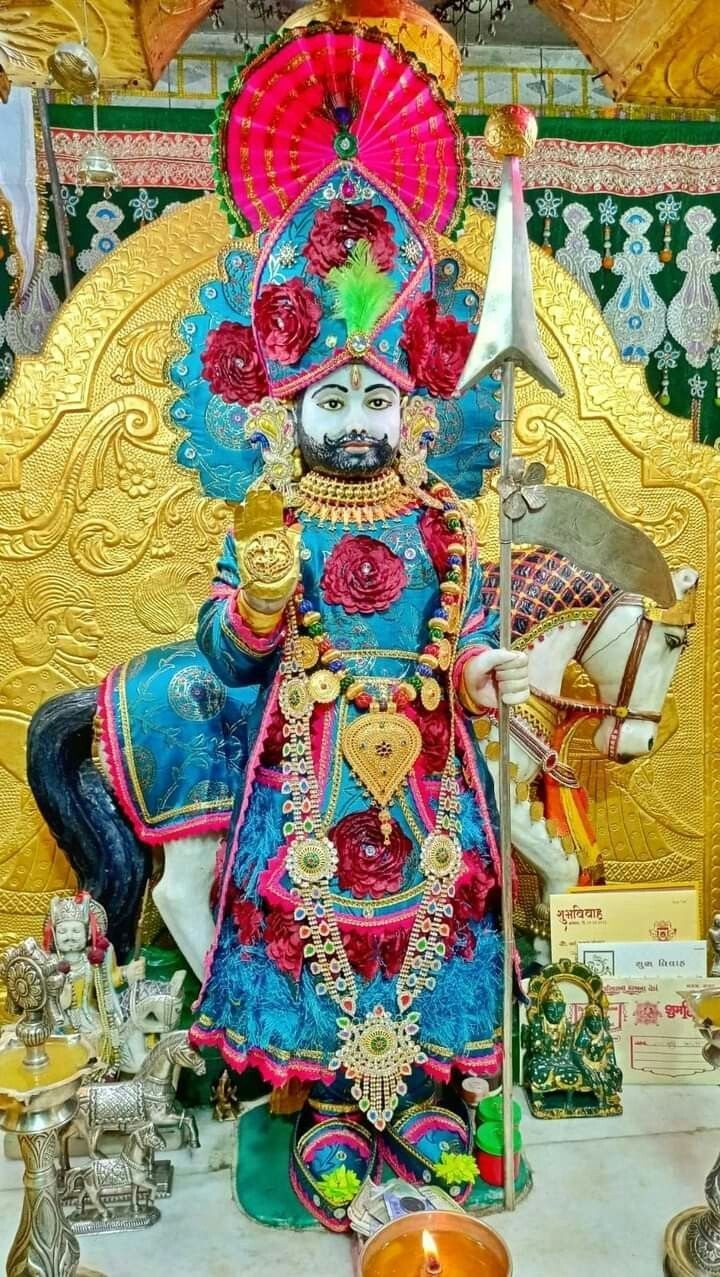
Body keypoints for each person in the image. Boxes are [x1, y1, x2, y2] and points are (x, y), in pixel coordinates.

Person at [174, 23, 530, 1226]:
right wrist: (261, 602)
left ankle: (425, 1094)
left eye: (378, 394)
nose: (359, 419)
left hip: (427, 758)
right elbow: (228, 655)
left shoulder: (441, 519)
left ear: (413, 406)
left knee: (441, 904)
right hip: (307, 761)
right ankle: (326, 1101)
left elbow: (463, 631)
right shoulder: (269, 515)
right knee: (311, 912)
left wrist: (488, 666)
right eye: (333, 397)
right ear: (290, 407)